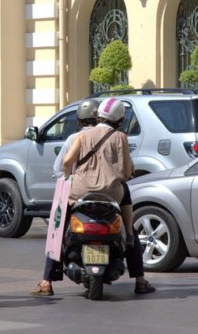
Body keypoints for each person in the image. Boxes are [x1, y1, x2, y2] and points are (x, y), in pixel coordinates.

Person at [31, 97, 155, 296]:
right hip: (111, 193)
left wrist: (69, 176)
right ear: (120, 119)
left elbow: (66, 162)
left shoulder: (82, 136)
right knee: (129, 223)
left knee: (58, 228)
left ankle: (46, 282)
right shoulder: (120, 137)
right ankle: (140, 279)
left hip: (80, 191)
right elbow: (126, 171)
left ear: (98, 116)